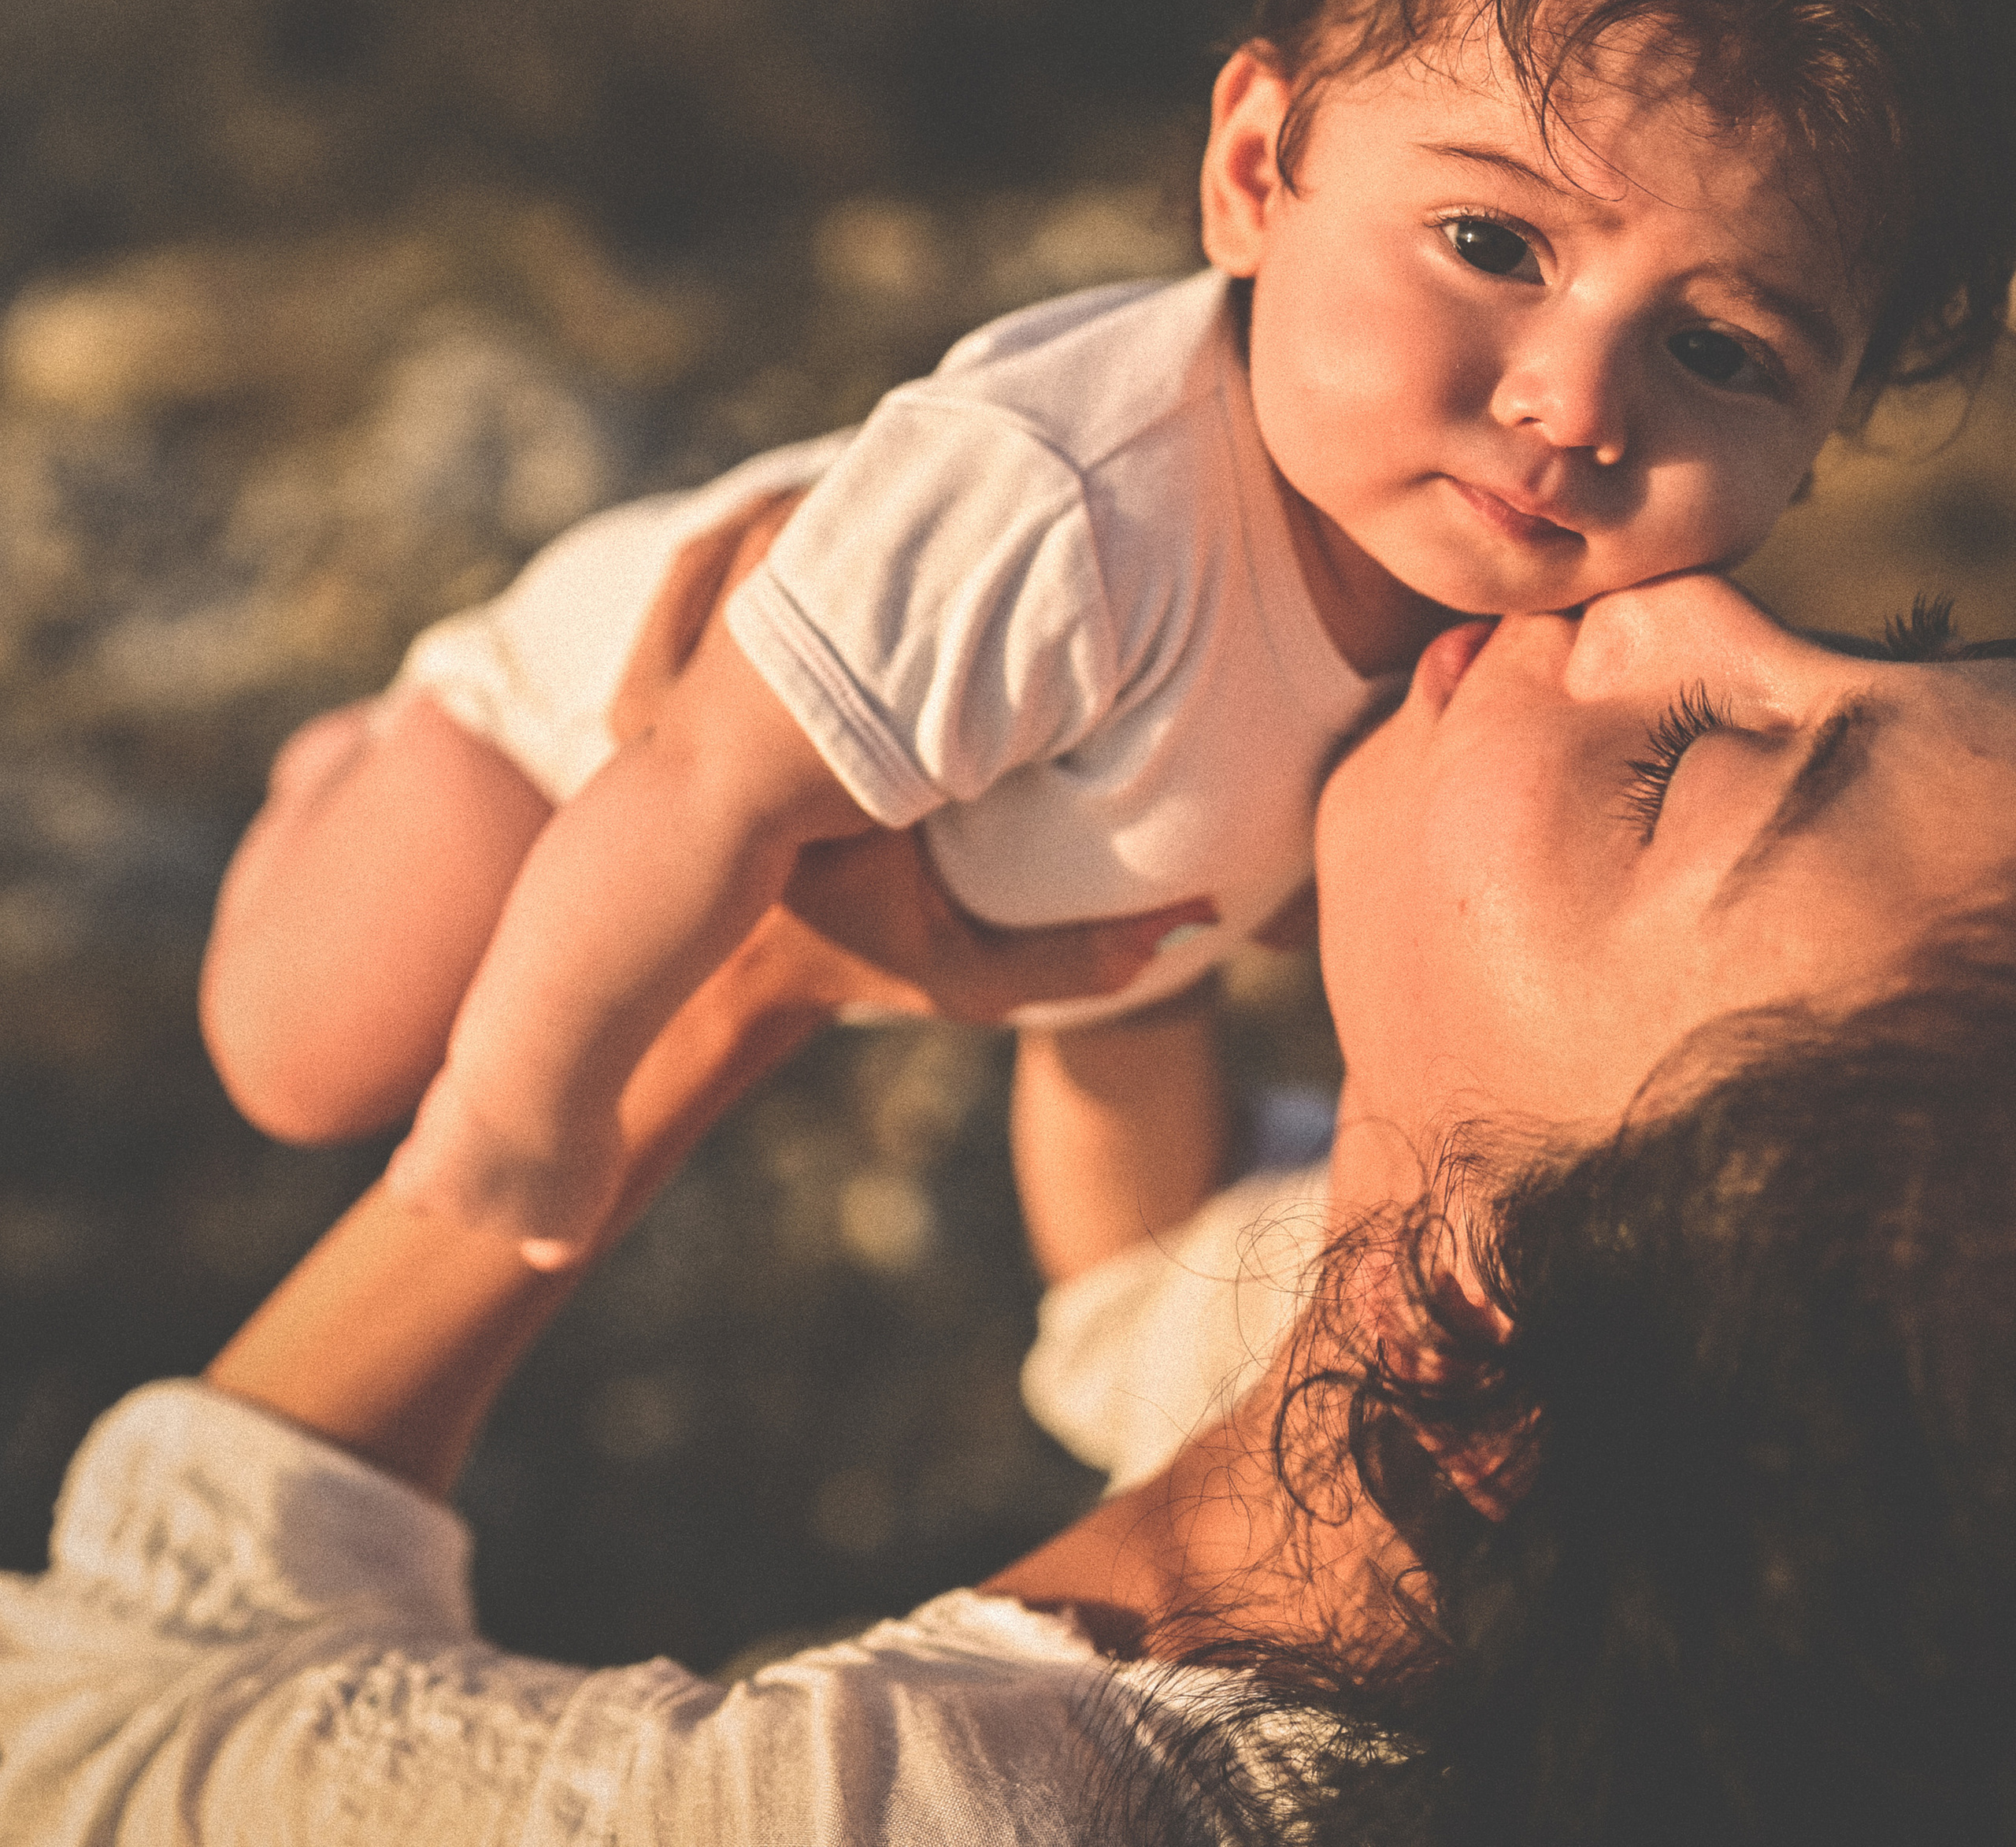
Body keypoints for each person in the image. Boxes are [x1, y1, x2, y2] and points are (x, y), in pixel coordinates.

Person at [197, 0, 2016, 1266]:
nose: (1571, 402)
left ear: (1826, 424)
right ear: (1252, 170)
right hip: (576, 746)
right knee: (305, 1053)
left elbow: (1195, 935)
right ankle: (334, 763)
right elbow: (698, 783)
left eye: (1722, 353)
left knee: (1115, 1061)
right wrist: (528, 1107)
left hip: (1038, 867)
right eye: (1489, 243)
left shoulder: (1538, 632)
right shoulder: (1068, 498)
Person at [6, 569, 2014, 1842]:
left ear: (1478, 1353)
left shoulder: (952, 1815)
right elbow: (1148, 1274)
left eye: (1693, 767)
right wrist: (1117, 887)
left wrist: (719, 986)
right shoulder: (1544, 1552)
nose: (1680, 599)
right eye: (1906, 642)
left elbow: (98, 1732)